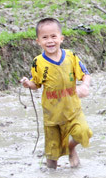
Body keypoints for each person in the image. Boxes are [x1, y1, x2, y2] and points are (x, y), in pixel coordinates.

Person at [21, 17, 92, 169]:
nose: (50, 41)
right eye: (45, 37)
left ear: (61, 38)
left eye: (53, 36)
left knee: (83, 132)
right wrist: (28, 84)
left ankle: (70, 147)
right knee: (52, 157)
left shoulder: (71, 56)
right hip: (52, 115)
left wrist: (85, 85)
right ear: (38, 41)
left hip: (73, 110)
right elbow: (37, 84)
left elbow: (85, 74)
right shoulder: (38, 62)